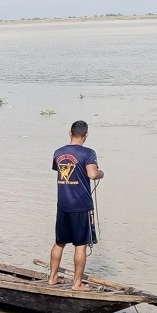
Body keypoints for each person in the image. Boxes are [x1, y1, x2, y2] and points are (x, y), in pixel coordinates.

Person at [48, 120, 103, 290]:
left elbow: (61, 170)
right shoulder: (88, 153)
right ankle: (77, 283)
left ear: (70, 133)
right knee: (80, 245)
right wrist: (101, 173)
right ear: (86, 135)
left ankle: (52, 277)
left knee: (59, 242)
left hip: (63, 204)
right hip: (80, 205)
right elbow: (92, 174)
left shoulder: (58, 152)